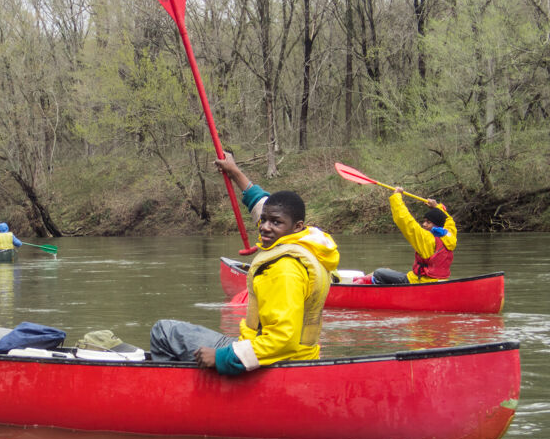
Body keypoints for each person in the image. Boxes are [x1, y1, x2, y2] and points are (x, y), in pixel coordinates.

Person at [150, 153, 340, 375]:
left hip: (274, 359)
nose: (265, 227)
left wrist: (222, 357)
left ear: (296, 226)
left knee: (164, 331)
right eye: (265, 220)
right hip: (298, 355)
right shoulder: (309, 242)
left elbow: (283, 340)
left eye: (275, 222)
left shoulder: (284, 269)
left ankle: (182, 393)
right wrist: (234, 171)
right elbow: (261, 202)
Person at [354, 186, 456, 285]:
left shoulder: (426, 239)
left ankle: (370, 284)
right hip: (440, 281)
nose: (424, 224)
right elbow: (448, 220)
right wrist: (437, 207)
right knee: (387, 271)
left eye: (428, 222)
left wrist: (397, 196)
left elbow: (405, 220)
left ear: (437, 225)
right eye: (424, 221)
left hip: (419, 282)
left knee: (379, 272)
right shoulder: (450, 236)